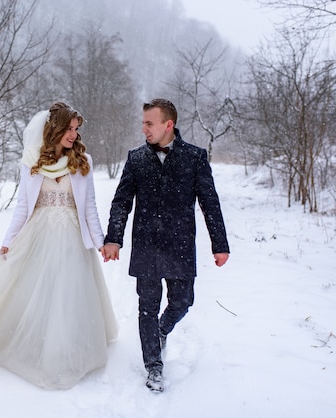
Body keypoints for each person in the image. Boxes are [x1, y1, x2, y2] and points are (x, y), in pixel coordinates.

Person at [0, 101, 118, 390]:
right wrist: (8, 240)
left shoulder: (82, 160)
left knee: (68, 292)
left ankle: (65, 349)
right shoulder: (32, 162)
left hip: (73, 237)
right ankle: (31, 342)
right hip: (38, 234)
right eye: (69, 129)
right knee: (33, 289)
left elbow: (89, 208)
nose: (74, 135)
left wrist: (101, 242)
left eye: (76, 130)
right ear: (55, 129)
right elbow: (23, 206)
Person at [103, 98, 230, 392]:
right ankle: (154, 367)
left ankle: (163, 330)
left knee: (183, 302)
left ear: (168, 125)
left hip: (179, 245)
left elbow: (210, 203)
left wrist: (219, 244)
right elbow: (122, 202)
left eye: (150, 123)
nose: (144, 129)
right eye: (143, 123)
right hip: (146, 245)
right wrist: (114, 238)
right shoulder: (136, 159)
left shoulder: (195, 157)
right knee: (147, 306)